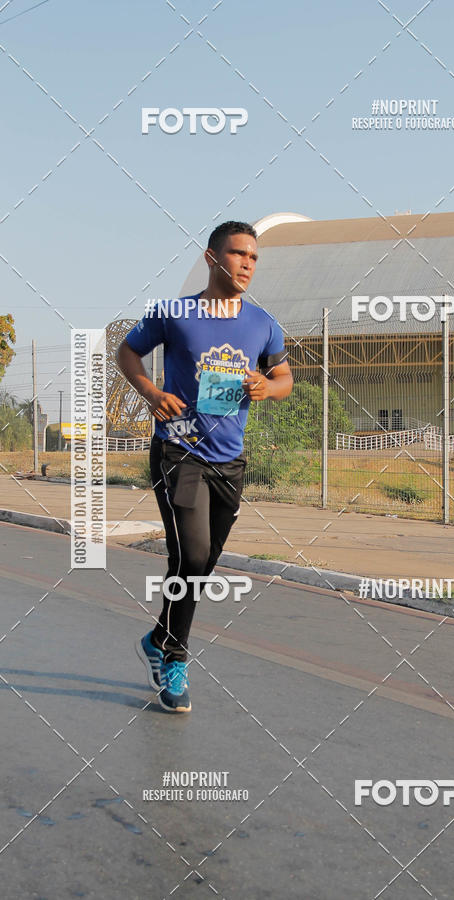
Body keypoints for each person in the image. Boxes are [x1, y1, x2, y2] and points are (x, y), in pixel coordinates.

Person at [116, 221, 293, 712]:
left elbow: (285, 379)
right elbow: (126, 350)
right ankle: (174, 657)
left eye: (254, 258)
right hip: (179, 452)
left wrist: (265, 387)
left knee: (202, 566)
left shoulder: (262, 322)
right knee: (190, 558)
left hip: (230, 462)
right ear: (212, 258)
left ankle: (158, 638)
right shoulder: (175, 314)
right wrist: (151, 392)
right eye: (238, 255)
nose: (247, 265)